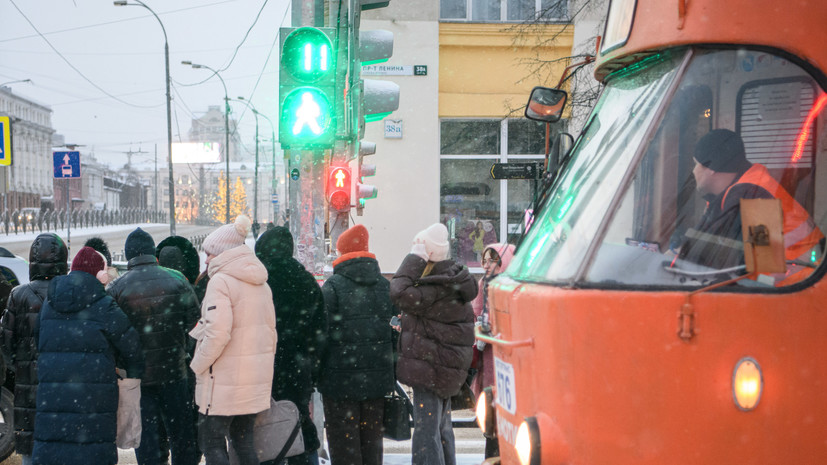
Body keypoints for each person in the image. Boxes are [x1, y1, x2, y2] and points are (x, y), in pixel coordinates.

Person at [32, 247, 144, 465]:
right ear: (99, 274)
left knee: (53, 451)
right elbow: (132, 348)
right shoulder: (104, 305)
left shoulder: (49, 303)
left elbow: (38, 340)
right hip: (94, 401)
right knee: (91, 453)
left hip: (53, 397)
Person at [107, 228, 201, 465]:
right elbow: (197, 327)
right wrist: (182, 351)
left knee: (147, 440)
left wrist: (125, 364)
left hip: (139, 380)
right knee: (181, 436)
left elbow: (111, 335)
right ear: (153, 253)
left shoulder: (117, 288)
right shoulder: (178, 280)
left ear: (128, 255)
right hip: (175, 373)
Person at [190, 215, 277, 465]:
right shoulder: (261, 283)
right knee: (243, 441)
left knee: (212, 442)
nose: (205, 259)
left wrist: (198, 364)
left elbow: (217, 334)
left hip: (222, 384)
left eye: (209, 254)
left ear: (223, 253)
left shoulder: (220, 282)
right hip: (251, 380)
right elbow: (271, 334)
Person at [389, 223, 477, 465]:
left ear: (427, 256)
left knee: (427, 432)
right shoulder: (452, 281)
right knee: (441, 429)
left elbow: (398, 291)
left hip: (431, 369)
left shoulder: (434, 287)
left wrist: (413, 259)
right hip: (446, 369)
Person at [678, 129, 823, 273]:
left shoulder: (756, 199)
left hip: (797, 286)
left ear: (711, 168)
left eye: (695, 164)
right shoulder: (728, 195)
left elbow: (765, 269)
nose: (693, 171)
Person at [318, 225, 395, 465]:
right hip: (376, 379)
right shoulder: (384, 285)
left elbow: (322, 334)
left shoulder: (332, 287)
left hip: (340, 382)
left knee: (344, 443)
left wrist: (318, 370)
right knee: (372, 442)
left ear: (342, 252)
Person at [255, 226, 326, 465]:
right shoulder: (306, 281)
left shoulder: (257, 280)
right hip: (298, 367)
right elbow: (319, 331)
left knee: (263, 428)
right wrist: (312, 369)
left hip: (263, 367)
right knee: (299, 422)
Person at [0, 233, 68, 465]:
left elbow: (6, 345)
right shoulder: (72, 293)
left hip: (28, 388)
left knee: (31, 447)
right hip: (65, 386)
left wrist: (22, 367)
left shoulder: (18, 295)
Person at [470, 243, 515, 459]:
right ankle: (492, 454)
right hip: (487, 357)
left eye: (492, 260)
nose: (486, 265)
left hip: (506, 359)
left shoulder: (512, 286)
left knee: (507, 415)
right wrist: (479, 329)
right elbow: (476, 314)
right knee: (490, 414)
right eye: (484, 260)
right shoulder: (483, 284)